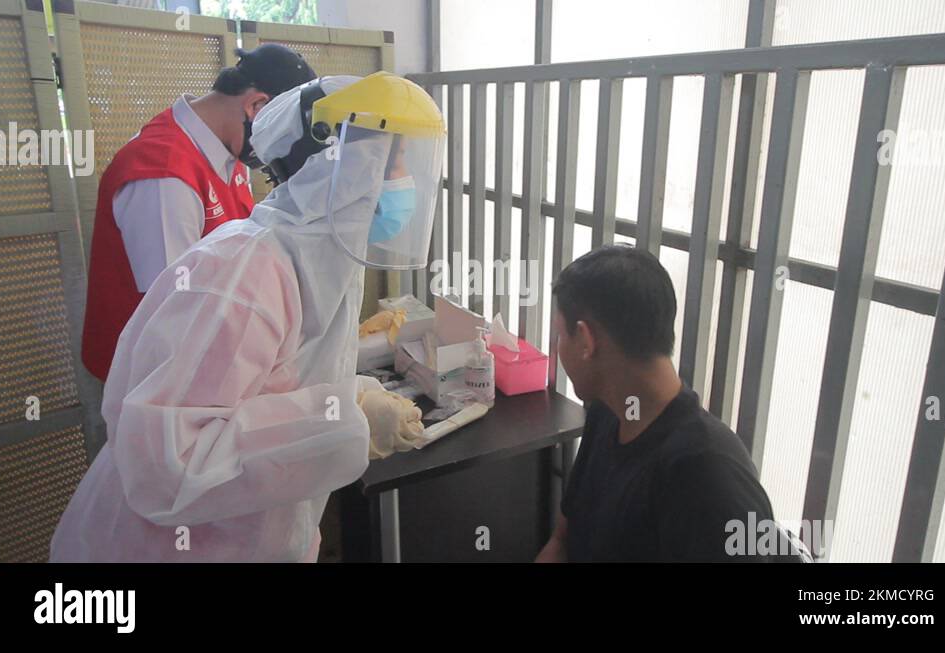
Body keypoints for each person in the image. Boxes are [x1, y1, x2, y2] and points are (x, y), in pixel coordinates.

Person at [50, 72, 446, 562]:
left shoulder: (327, 262)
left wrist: (351, 396)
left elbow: (273, 395)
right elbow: (169, 464)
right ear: (339, 160)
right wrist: (347, 419)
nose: (404, 177)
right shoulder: (243, 276)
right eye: (395, 158)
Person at [536, 245, 797, 562]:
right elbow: (564, 540)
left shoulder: (706, 476)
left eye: (560, 335)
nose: (558, 349)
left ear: (586, 340)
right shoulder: (608, 412)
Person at [81, 44, 316, 382]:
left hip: (202, 346)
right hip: (149, 374)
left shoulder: (224, 144)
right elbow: (172, 308)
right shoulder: (163, 174)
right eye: (278, 134)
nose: (272, 152)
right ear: (256, 106)